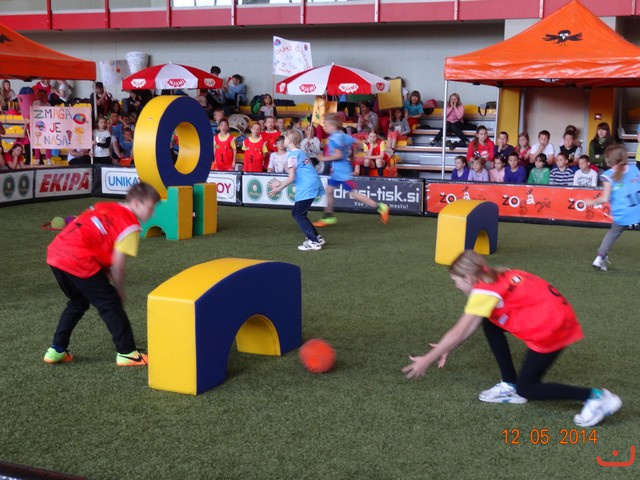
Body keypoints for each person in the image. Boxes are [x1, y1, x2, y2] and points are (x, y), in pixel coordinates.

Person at [402, 250, 622, 427]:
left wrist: (427, 359)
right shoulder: (496, 274)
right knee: (488, 321)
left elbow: (458, 331)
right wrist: (446, 347)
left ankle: (597, 397)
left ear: (468, 278)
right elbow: (472, 324)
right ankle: (509, 383)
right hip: (557, 316)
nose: (455, 286)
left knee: (527, 389)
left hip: (552, 327)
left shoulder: (484, 292)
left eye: (455, 281)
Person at [43, 183, 161, 367]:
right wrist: (119, 289)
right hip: (79, 259)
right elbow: (118, 262)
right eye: (151, 208)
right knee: (111, 303)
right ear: (137, 203)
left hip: (56, 254)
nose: (152, 214)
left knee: (78, 302)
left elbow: (91, 233)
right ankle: (127, 353)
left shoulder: (103, 206)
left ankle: (56, 350)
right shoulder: (130, 225)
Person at [313, 113, 389, 227]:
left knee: (354, 194)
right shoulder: (341, 135)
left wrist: (323, 158)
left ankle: (380, 207)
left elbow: (338, 155)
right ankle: (328, 217)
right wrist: (355, 153)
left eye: (326, 125)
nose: (325, 127)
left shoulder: (334, 138)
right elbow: (357, 142)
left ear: (333, 126)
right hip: (338, 171)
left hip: (342, 173)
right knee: (329, 191)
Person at [268, 130, 326, 251]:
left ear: (289, 140)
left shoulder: (292, 155)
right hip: (312, 184)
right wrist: (280, 183)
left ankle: (313, 241)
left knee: (297, 214)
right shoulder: (300, 152)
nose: (283, 140)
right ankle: (316, 237)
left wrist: (278, 189)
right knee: (300, 213)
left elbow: (291, 177)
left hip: (307, 186)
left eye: (285, 138)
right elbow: (296, 175)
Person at [587, 144, 640, 271]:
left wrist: (591, 202)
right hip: (638, 210)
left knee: (613, 233)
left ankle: (600, 258)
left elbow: (604, 198)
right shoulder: (635, 169)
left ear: (609, 160)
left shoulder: (607, 176)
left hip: (622, 214)